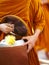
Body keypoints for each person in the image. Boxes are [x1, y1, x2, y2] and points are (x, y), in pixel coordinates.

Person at [0, 0, 45, 65]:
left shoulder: (31, 1)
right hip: (3, 47)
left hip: (26, 44)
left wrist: (34, 37)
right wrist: (0, 26)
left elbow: (40, 21)